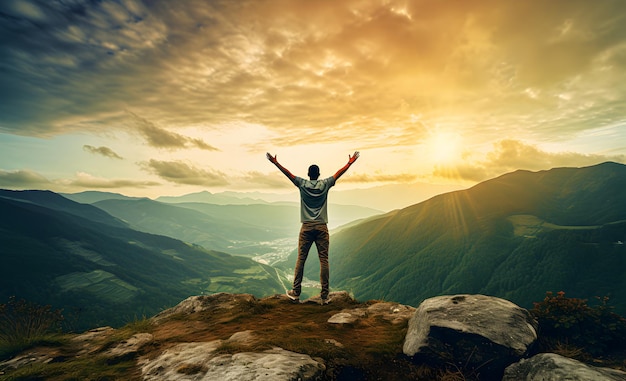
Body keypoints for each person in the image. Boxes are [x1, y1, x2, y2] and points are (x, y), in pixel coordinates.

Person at [266, 151, 360, 304]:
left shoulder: (302, 184)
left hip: (307, 228)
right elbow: (338, 173)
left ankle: (295, 293)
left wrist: (275, 163)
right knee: (324, 260)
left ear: (308, 174)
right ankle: (324, 296)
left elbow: (288, 174)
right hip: (322, 227)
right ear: (319, 174)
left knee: (301, 259)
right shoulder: (325, 184)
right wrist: (350, 163)